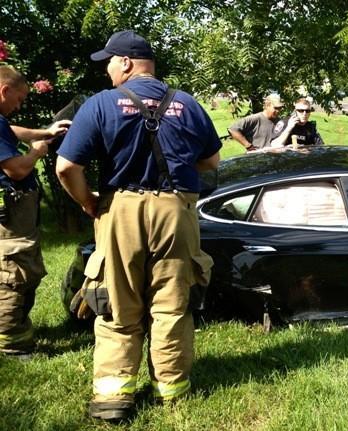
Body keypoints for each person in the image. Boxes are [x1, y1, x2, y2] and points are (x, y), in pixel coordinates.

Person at [55, 30, 221, 422]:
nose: (108, 70)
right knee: (172, 301)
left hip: (121, 209)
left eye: (109, 62)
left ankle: (113, 396)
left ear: (126, 62)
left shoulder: (101, 104)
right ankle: (171, 388)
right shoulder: (187, 103)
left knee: (117, 299)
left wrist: (87, 201)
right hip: (176, 210)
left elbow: (66, 166)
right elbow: (211, 162)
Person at [0, 66, 70, 360]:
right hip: (10, 217)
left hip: (16, 215)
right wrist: (37, 152)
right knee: (12, 275)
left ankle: (16, 331)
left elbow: (11, 131)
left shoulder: (1, 122)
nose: (19, 106)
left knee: (22, 269)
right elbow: (15, 170)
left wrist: (47, 132)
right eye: (18, 99)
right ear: (4, 90)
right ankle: (12, 344)